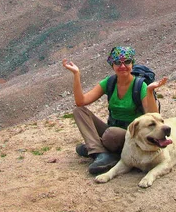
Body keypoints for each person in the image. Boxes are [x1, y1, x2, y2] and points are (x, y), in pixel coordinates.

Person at [62, 46, 168, 175]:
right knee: (79, 112)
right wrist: (76, 75)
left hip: (132, 135)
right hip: (111, 128)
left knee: (110, 135)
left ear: (132, 64)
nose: (122, 66)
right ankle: (100, 152)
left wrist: (150, 91)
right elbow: (81, 102)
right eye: (118, 62)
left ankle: (99, 149)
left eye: (127, 62)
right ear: (112, 65)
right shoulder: (110, 82)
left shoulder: (140, 85)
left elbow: (153, 115)